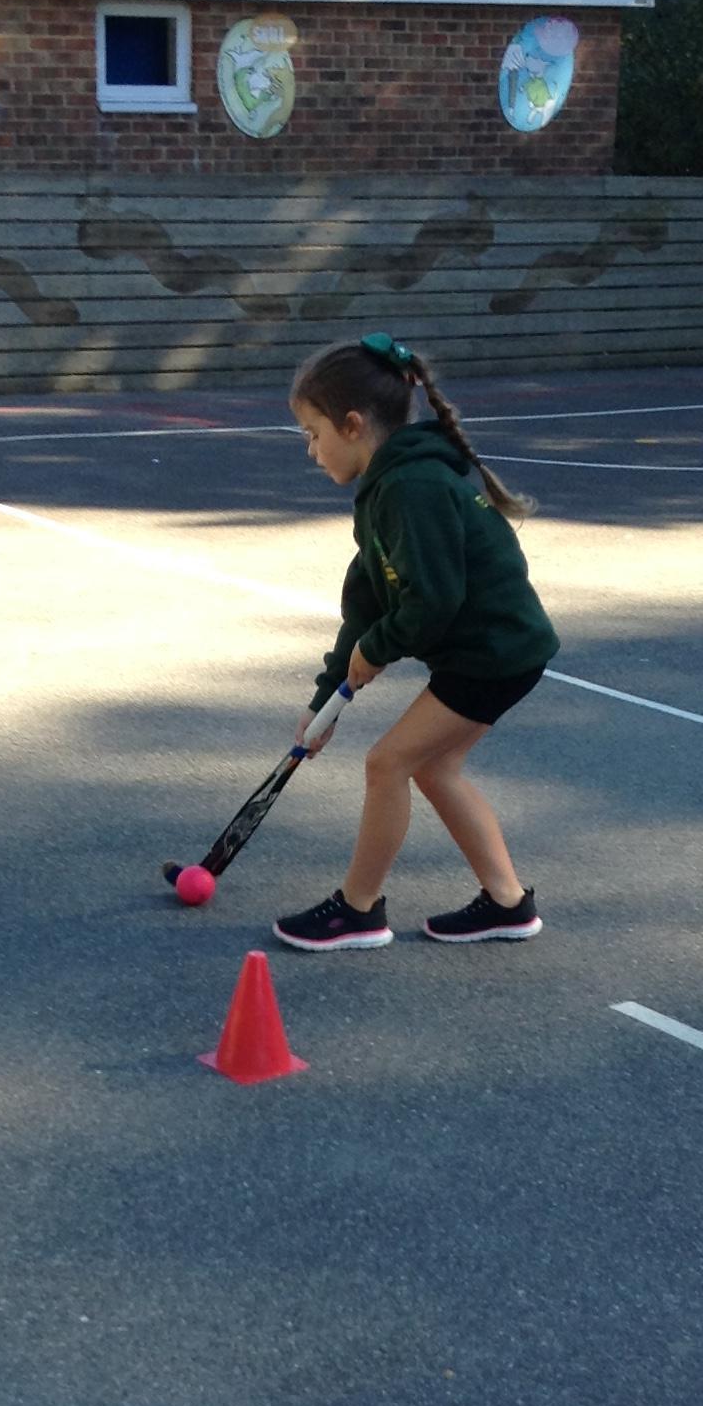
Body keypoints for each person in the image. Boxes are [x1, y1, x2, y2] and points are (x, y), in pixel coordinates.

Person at [273, 333, 560, 952]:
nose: (311, 449)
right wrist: (326, 700)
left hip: (492, 653)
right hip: (496, 649)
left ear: (353, 425)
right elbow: (366, 602)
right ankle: (508, 903)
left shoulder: (412, 487)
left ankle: (357, 910)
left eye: (314, 433)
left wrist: (375, 651)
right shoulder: (386, 488)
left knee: (388, 763)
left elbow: (432, 601)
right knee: (433, 767)